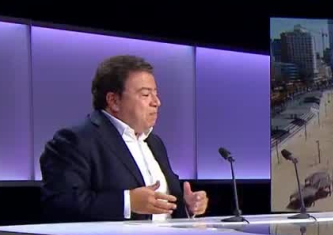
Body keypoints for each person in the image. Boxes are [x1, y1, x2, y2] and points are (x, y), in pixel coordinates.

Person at [39, 55, 208, 222]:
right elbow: (60, 203)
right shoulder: (75, 140)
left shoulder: (154, 142)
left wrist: (187, 206)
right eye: (145, 94)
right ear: (114, 101)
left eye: (155, 94)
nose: (157, 102)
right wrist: (127, 202)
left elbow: (166, 207)